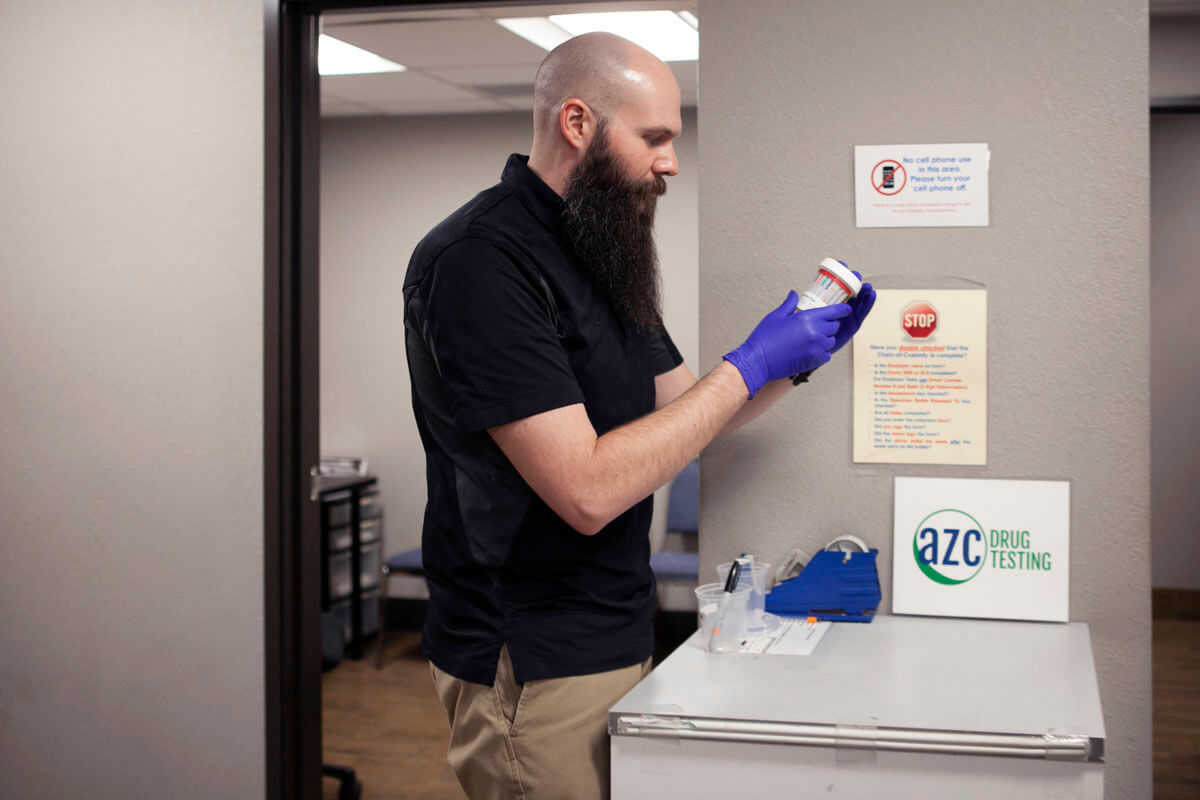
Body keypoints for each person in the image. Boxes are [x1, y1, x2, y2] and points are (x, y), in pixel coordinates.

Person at [403, 32, 875, 800]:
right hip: (530, 655)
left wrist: (799, 358)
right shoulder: (480, 263)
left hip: (614, 627)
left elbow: (689, 414)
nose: (671, 163)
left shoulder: (599, 247)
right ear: (579, 123)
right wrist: (748, 362)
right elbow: (585, 491)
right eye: (654, 138)